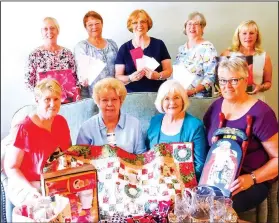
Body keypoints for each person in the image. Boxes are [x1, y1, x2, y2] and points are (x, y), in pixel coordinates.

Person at [203, 57, 278, 213]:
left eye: (234, 80)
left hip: (248, 181)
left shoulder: (262, 113)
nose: (227, 86)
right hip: (216, 179)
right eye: (223, 80)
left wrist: (251, 178)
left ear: (246, 80)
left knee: (218, 210)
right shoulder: (215, 107)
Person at [4, 78, 71, 206]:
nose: (53, 104)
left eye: (56, 99)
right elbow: (11, 168)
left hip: (52, 180)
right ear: (37, 100)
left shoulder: (61, 122)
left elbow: (66, 154)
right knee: (44, 208)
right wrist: (30, 189)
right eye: (47, 99)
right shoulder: (24, 128)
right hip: (27, 183)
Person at [146, 80, 207, 180]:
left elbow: (200, 165)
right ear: (161, 101)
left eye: (176, 97)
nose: (172, 103)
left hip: (184, 184)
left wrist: (175, 181)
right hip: (155, 182)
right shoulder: (155, 121)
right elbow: (148, 155)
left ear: (183, 100)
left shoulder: (195, 126)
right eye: (166, 98)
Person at [76, 77, 146, 154]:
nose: (110, 104)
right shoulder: (86, 128)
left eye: (114, 99)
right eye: (105, 100)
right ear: (98, 102)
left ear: (121, 101)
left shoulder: (134, 124)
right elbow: (80, 159)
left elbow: (141, 157)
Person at [115, 9, 172, 92]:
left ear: (148, 24)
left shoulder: (159, 44)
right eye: (135, 22)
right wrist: (130, 78)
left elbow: (169, 71)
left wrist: (158, 75)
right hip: (132, 95)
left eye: (143, 22)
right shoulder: (124, 48)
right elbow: (118, 76)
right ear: (130, 25)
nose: (139, 25)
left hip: (158, 93)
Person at [25, 17, 79, 102]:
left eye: (52, 28)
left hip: (68, 103)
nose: (49, 32)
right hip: (45, 104)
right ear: (41, 33)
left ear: (58, 31)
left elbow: (75, 78)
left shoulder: (67, 53)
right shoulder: (34, 55)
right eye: (45, 29)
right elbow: (29, 83)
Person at [221, 20, 272, 101]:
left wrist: (260, 87)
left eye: (251, 33)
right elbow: (220, 80)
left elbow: (268, 83)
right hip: (233, 102)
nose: (248, 36)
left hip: (256, 101)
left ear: (257, 35)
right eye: (244, 33)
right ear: (238, 35)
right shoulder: (227, 54)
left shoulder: (264, 56)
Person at [74, 11, 118, 98]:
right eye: (90, 25)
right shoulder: (81, 46)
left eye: (97, 23)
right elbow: (81, 69)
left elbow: (119, 66)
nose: (94, 27)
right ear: (85, 27)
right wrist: (83, 79)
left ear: (102, 24)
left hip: (113, 92)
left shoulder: (112, 44)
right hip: (92, 95)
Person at [175, 12, 217, 98]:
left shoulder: (208, 47)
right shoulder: (181, 49)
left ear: (202, 28)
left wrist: (193, 91)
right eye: (189, 24)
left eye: (196, 24)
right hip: (180, 97)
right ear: (185, 27)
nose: (192, 27)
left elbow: (211, 77)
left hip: (199, 98)